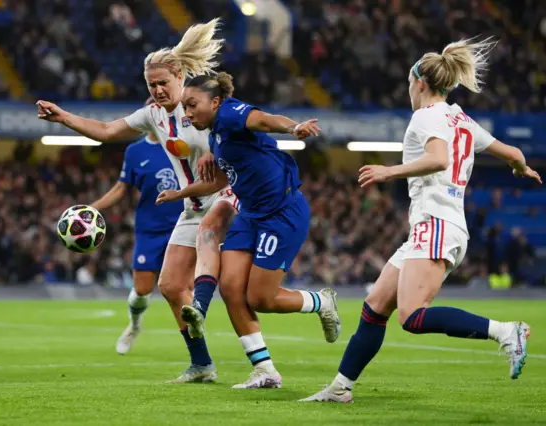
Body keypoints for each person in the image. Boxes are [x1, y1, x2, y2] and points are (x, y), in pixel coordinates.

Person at [301, 37, 542, 403]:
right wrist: (522, 169)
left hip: (438, 224)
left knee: (412, 317)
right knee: (375, 307)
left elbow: (439, 158)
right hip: (437, 226)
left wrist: (388, 172)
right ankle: (340, 388)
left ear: (420, 83)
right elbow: (513, 152)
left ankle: (507, 331)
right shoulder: (461, 118)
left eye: (409, 84)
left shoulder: (426, 116)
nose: (408, 90)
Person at [37, 19, 238, 383]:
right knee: (171, 287)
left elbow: (236, 134)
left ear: (180, 75)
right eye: (152, 85)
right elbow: (107, 131)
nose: (158, 90)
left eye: (163, 82)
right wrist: (63, 117)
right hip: (191, 207)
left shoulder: (205, 106)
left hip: (225, 200)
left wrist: (216, 151)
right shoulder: (153, 115)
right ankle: (202, 364)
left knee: (247, 292)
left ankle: (270, 357)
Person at [157, 72, 342, 389]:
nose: (186, 114)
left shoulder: (230, 114)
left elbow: (266, 120)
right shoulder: (216, 134)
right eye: (185, 107)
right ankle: (265, 371)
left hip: (282, 213)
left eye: (192, 105)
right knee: (230, 289)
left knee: (260, 298)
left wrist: (292, 127)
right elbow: (220, 181)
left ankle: (321, 302)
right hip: (250, 213)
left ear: (215, 102)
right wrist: (180, 193)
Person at [90, 98, 184, 355]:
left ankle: (197, 353)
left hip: (184, 226)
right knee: (142, 290)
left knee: (182, 289)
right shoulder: (135, 152)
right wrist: (94, 207)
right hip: (149, 228)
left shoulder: (183, 145)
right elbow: (122, 188)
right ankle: (134, 325)